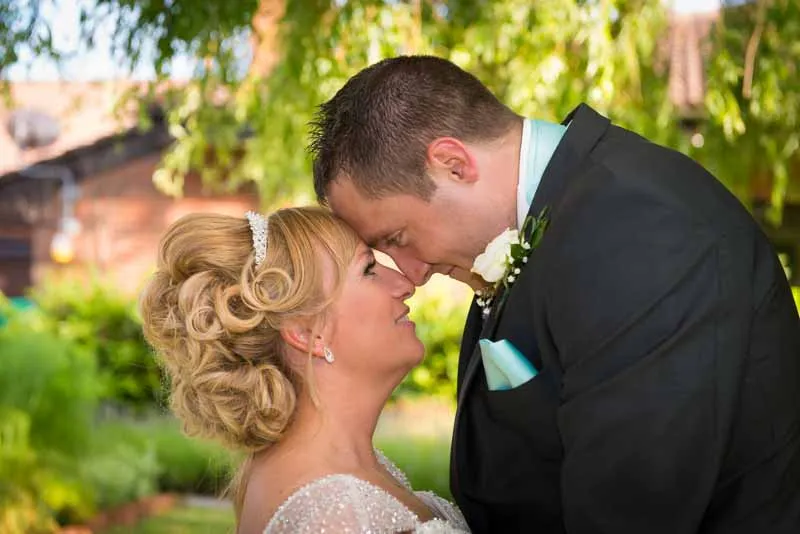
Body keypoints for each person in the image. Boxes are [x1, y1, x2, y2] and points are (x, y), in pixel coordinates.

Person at [309, 55, 800, 533]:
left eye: (396, 238)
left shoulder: (638, 227)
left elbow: (629, 511)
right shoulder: (569, 216)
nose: (412, 275)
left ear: (453, 164)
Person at [138, 206, 470, 533]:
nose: (405, 283)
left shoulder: (323, 473)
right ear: (306, 332)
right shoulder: (337, 517)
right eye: (368, 269)